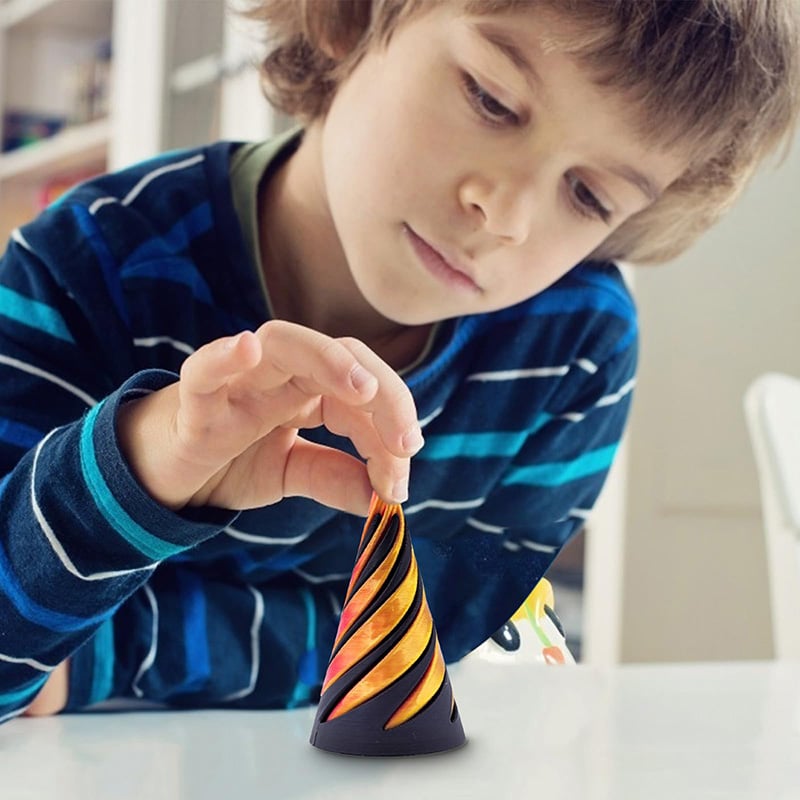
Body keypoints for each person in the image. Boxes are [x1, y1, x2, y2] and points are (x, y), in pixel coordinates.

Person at [1, 0, 797, 724]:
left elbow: (432, 636)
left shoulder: (576, 346)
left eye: (589, 196)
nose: (507, 214)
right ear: (349, 18)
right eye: (490, 98)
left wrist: (108, 652)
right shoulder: (84, 266)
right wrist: (140, 465)